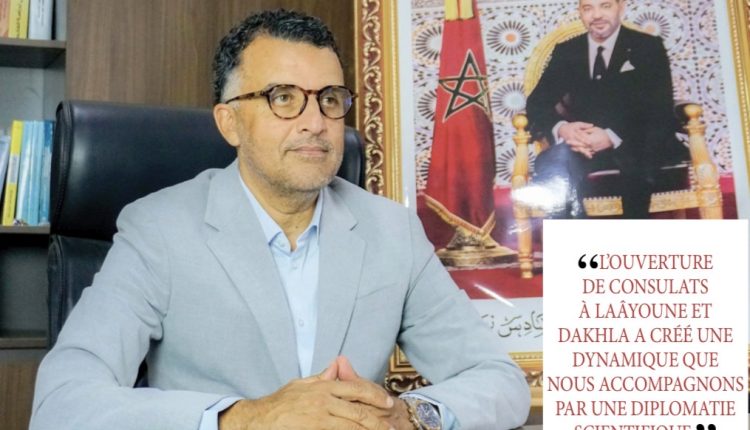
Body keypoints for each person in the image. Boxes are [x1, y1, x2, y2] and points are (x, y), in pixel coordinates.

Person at [30, 9, 530, 430]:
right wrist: (246, 418)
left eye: (329, 99)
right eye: (283, 98)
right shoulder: (158, 229)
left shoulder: (392, 230)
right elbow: (62, 404)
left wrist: (411, 415)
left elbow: (501, 382)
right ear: (229, 122)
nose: (316, 122)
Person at [525, 0, 689, 218]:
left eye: (605, 6)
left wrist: (610, 136)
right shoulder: (568, 51)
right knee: (554, 165)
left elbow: (659, 108)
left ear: (621, 7)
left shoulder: (647, 47)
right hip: (581, 147)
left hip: (635, 142)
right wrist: (564, 129)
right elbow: (537, 103)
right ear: (580, 12)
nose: (596, 15)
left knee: (638, 165)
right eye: (588, 8)